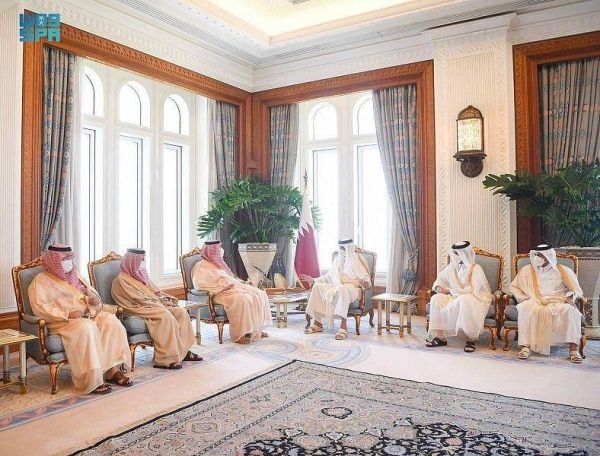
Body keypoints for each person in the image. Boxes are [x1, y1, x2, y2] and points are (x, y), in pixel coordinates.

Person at [28, 245, 132, 394]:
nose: (69, 261)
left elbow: (91, 295)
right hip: (63, 322)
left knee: (111, 321)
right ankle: (91, 379)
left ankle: (112, 370)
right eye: (64, 259)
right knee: (86, 327)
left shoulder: (75, 276)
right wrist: (67, 314)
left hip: (88, 315)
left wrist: (94, 301)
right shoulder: (41, 281)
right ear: (53, 260)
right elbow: (40, 307)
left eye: (70, 257)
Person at [111, 248, 202, 369]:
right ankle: (165, 359)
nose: (143, 262)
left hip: (152, 306)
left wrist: (165, 299)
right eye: (141, 259)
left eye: (144, 259)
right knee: (165, 316)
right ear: (132, 261)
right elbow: (139, 300)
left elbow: (156, 292)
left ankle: (183, 352)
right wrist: (160, 303)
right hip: (136, 308)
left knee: (181, 312)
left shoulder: (141, 275)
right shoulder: (121, 280)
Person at [509, 244, 584, 363]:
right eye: (536, 254)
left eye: (540, 255)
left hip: (557, 301)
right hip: (534, 300)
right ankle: (526, 347)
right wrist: (521, 297)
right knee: (525, 309)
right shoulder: (527, 270)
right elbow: (513, 286)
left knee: (571, 311)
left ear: (548, 256)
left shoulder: (563, 270)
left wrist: (571, 298)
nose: (537, 257)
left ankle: (573, 350)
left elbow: (576, 290)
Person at [191, 241, 272, 344]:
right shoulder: (200, 266)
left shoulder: (219, 265)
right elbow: (200, 285)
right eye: (216, 251)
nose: (218, 253)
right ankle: (240, 335)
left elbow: (231, 278)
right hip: (217, 294)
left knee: (259, 293)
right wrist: (221, 287)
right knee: (242, 299)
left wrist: (244, 283)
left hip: (231, 290)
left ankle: (256, 330)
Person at [425, 241, 494, 352]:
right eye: (453, 253)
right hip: (453, 296)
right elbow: (440, 279)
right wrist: (438, 287)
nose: (454, 256)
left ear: (464, 254)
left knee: (464, 300)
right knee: (436, 298)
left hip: (474, 297)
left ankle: (470, 340)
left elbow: (474, 289)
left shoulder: (476, 269)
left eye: (456, 253)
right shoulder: (452, 267)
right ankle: (440, 337)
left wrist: (451, 292)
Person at [300, 239, 371, 340]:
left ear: (349, 248)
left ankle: (343, 326)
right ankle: (317, 323)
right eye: (340, 248)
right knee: (317, 287)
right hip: (337, 286)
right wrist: (313, 280)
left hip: (354, 288)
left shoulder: (357, 260)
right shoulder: (337, 260)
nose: (341, 250)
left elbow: (366, 277)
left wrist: (365, 283)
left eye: (344, 248)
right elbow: (328, 276)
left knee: (343, 289)